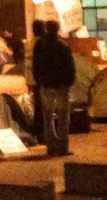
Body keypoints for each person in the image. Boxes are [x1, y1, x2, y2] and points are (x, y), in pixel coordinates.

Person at [32, 20, 76, 156]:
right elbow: (70, 67)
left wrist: (39, 80)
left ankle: (51, 146)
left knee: (48, 116)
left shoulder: (39, 46)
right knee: (63, 116)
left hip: (46, 84)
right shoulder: (63, 46)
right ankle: (63, 147)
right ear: (57, 30)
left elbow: (36, 65)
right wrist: (69, 81)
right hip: (61, 85)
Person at [25, 20, 44, 138]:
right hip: (39, 78)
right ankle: (40, 132)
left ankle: (36, 130)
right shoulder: (40, 44)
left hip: (30, 78)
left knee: (37, 105)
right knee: (41, 107)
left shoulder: (29, 43)